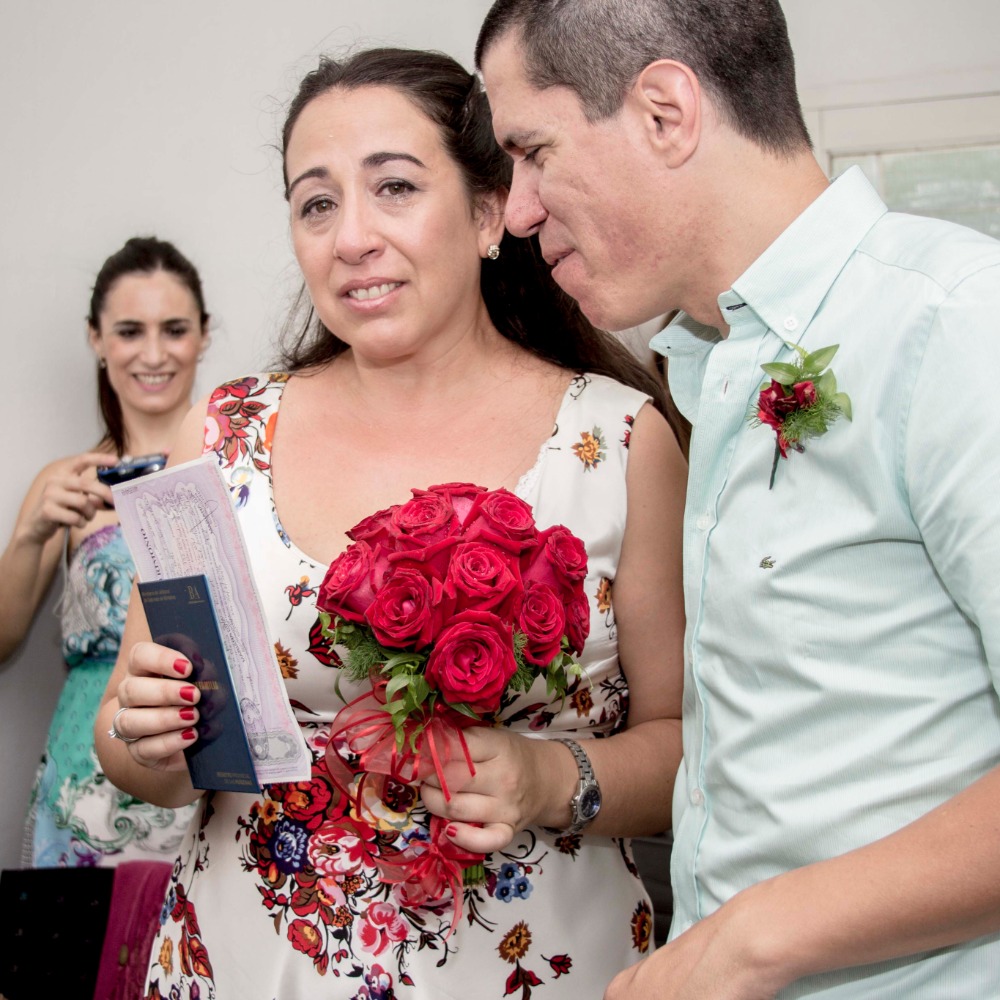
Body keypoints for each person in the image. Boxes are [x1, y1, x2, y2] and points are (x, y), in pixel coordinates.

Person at [95, 48, 686, 998]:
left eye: (395, 188)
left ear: (490, 213)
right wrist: (146, 738)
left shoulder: (619, 443)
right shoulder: (224, 438)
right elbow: (144, 748)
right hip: (251, 968)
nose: (352, 238)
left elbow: (690, 744)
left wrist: (545, 779)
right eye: (316, 204)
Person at [476, 1, 1000, 998]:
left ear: (665, 113)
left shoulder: (956, 325)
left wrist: (752, 938)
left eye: (534, 153)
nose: (519, 210)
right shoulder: (706, 365)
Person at [1, 236, 206, 869]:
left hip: (197, 776)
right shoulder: (66, 483)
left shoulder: (238, 471)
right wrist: (32, 533)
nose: (154, 354)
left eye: (174, 329)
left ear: (203, 335)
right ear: (96, 339)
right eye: (129, 331)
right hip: (81, 793)